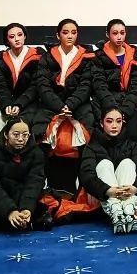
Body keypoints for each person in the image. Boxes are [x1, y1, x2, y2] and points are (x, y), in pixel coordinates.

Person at [35, 19, 96, 191]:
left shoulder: (86, 57)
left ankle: (84, 185)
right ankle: (40, 182)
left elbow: (86, 85)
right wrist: (59, 106)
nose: (70, 36)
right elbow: (43, 86)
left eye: (73, 32)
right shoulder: (47, 57)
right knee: (38, 130)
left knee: (90, 130)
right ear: (58, 35)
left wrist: (70, 104)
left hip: (78, 103)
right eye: (65, 32)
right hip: (52, 103)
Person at [79, 107, 137, 234]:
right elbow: (86, 176)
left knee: (127, 163)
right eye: (109, 121)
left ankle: (128, 211)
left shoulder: (131, 145)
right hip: (100, 196)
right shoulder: (92, 147)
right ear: (101, 123)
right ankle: (117, 212)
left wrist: (136, 188)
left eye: (118, 121)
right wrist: (107, 191)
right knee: (105, 164)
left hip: (128, 194)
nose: (114, 125)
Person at [91, 20, 137, 142]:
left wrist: (125, 111)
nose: (119, 37)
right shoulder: (99, 55)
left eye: (122, 33)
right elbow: (99, 85)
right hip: (106, 103)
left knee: (132, 136)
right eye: (115, 33)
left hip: (129, 104)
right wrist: (113, 110)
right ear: (107, 34)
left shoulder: (135, 53)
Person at [0, 23, 43, 121]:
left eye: (20, 35)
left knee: (23, 122)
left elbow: (36, 85)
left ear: (25, 36)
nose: (17, 39)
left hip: (31, 101)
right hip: (7, 101)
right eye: (12, 37)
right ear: (7, 40)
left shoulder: (38, 56)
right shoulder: (1, 59)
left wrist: (19, 104)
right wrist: (6, 104)